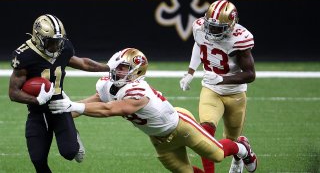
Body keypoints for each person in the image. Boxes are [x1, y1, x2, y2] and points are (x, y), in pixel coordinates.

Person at [48, 48, 257, 173]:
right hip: (159, 140)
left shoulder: (138, 91)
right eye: (117, 66)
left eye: (123, 68)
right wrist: (60, 113)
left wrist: (74, 106)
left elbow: (109, 109)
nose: (116, 71)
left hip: (181, 125)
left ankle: (242, 148)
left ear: (136, 72)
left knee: (218, 155)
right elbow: (94, 101)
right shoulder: (107, 84)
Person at [8, 14, 123, 173]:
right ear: (38, 38)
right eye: (52, 42)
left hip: (60, 106)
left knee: (69, 152)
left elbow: (83, 63)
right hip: (37, 112)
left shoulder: (64, 47)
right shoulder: (24, 56)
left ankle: (73, 137)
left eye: (59, 41)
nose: (57, 46)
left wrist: (109, 68)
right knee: (38, 160)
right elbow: (13, 93)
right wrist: (36, 100)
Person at [179, 0, 256, 173]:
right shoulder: (199, 27)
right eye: (210, 25)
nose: (211, 31)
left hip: (235, 93)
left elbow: (250, 74)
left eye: (217, 28)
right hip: (210, 89)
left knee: (231, 140)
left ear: (231, 25)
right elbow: (199, 45)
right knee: (205, 135)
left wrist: (221, 79)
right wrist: (190, 72)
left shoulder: (240, 39)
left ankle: (241, 152)